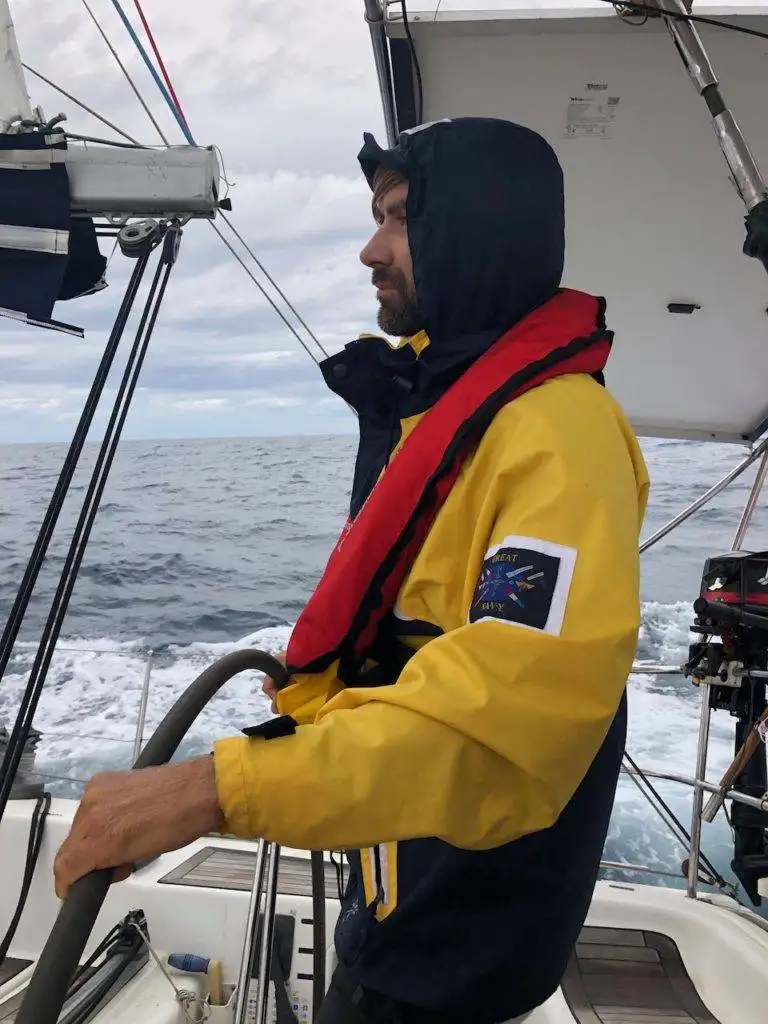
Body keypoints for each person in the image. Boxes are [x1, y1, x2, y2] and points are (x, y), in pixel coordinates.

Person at [54, 117, 650, 1024]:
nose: (371, 250)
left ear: (477, 229)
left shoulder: (558, 434)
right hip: (403, 899)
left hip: (455, 945)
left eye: (401, 217)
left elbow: (504, 717)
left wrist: (213, 787)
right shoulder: (445, 404)